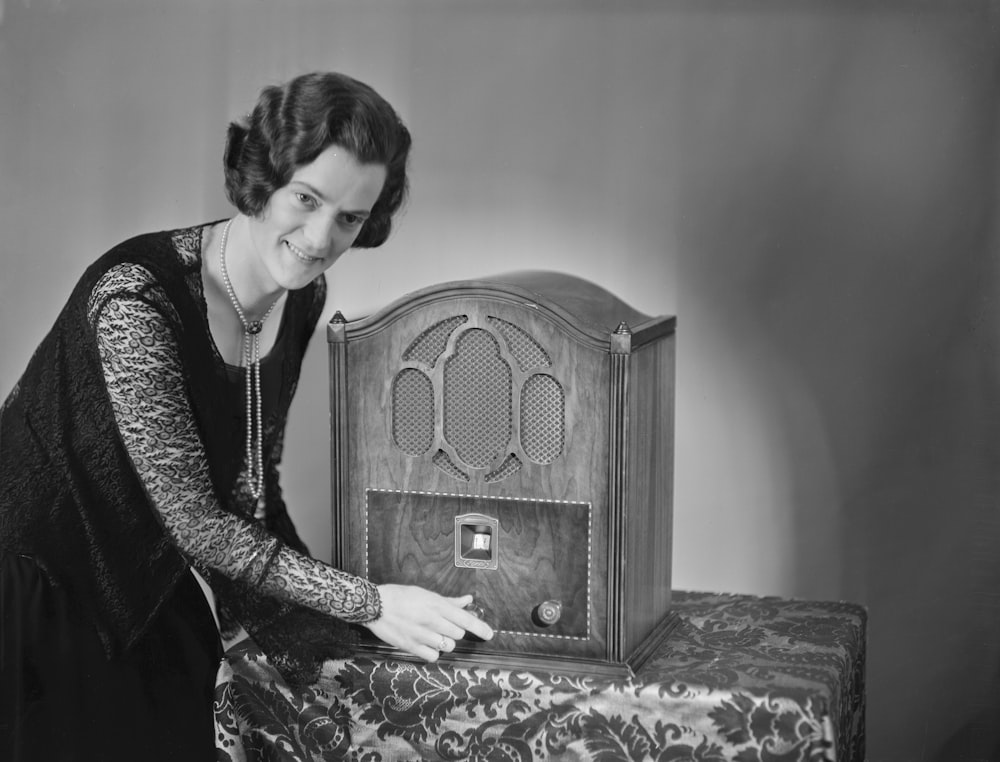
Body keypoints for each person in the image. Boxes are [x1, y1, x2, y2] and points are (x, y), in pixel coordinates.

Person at [0, 71, 493, 761]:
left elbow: (254, 486)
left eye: (349, 217)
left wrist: (332, 619)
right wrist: (370, 602)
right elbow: (199, 523)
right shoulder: (136, 300)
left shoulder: (303, 296)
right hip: (35, 593)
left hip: (144, 577)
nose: (320, 237)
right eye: (306, 198)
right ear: (263, 177)